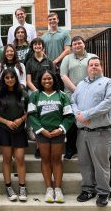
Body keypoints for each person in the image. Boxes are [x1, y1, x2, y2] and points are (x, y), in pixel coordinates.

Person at [72, 57, 111, 207]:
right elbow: (72, 101)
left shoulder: (109, 83)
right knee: (84, 163)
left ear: (101, 67)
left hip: (101, 132)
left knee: (101, 164)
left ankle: (103, 192)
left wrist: (86, 115)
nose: (93, 67)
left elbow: (108, 103)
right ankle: (87, 189)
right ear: (87, 68)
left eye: (96, 65)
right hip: (82, 131)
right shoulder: (80, 84)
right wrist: (78, 114)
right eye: (91, 65)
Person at [28, 69, 74, 203]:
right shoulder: (35, 95)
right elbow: (32, 114)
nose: (47, 81)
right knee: (45, 159)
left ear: (54, 80)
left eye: (49, 78)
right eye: (44, 79)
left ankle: (58, 189)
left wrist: (61, 129)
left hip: (57, 133)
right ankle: (49, 188)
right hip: (42, 133)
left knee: (56, 159)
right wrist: (41, 130)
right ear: (40, 81)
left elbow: (69, 116)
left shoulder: (62, 95)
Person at [0, 68, 29, 202]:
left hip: (19, 130)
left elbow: (29, 111)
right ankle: (8, 187)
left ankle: (22, 187)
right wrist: (6, 122)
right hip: (4, 129)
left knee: (20, 158)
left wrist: (21, 119)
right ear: (3, 79)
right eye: (7, 78)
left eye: (12, 77)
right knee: (6, 159)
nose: (10, 80)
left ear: (16, 79)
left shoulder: (23, 93)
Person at [60, 36, 98, 159]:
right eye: (74, 44)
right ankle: (70, 150)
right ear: (72, 47)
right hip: (71, 95)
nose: (77, 46)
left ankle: (87, 151)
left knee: (86, 120)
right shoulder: (67, 58)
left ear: (84, 44)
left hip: (90, 95)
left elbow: (96, 73)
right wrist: (78, 91)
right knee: (71, 123)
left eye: (79, 43)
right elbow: (63, 76)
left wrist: (86, 91)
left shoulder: (92, 57)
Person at [25, 38, 55, 158]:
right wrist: (37, 92)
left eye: (39, 44)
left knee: (46, 118)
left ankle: (46, 146)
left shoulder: (49, 61)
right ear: (32, 47)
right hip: (34, 92)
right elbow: (28, 80)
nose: (37, 46)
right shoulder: (29, 62)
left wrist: (46, 92)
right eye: (35, 44)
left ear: (43, 46)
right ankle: (39, 147)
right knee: (36, 119)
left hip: (48, 93)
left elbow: (53, 78)